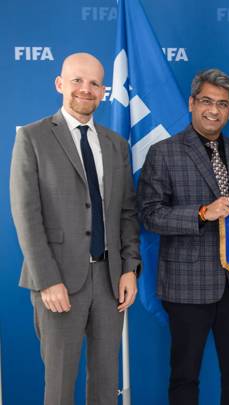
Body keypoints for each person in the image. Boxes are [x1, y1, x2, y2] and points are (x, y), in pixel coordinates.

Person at [10, 52, 141, 405]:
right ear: (59, 84)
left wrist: (129, 269)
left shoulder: (116, 144)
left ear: (104, 91)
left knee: (105, 384)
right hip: (58, 281)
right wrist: (47, 279)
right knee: (60, 385)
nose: (86, 89)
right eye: (78, 81)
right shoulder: (33, 137)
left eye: (95, 83)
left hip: (110, 281)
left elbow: (127, 212)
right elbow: (26, 214)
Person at [137, 68, 229, 405]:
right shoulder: (164, 152)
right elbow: (149, 215)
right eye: (207, 101)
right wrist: (202, 213)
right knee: (184, 376)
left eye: (223, 104)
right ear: (191, 103)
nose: (214, 110)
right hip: (187, 284)